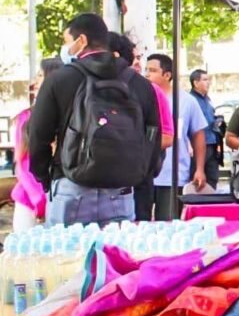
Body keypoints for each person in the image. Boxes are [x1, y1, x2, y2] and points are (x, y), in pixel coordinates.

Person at [28, 14, 162, 226]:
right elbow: (153, 136)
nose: (66, 48)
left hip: (70, 186)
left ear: (81, 40)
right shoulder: (140, 84)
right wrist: (141, 175)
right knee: (115, 248)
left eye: (67, 41)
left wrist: (45, 177)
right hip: (121, 191)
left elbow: (38, 136)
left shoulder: (59, 80)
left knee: (66, 249)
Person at [108, 32, 174, 221]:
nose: (137, 63)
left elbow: (166, 136)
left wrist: (131, 149)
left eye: (139, 58)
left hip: (137, 180)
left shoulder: (150, 90)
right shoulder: (87, 84)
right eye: (136, 57)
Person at [145, 53, 208, 220]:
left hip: (173, 176)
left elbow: (198, 135)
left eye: (152, 70)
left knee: (168, 222)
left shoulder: (186, 101)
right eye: (146, 70)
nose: (147, 74)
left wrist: (200, 169)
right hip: (143, 174)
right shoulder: (141, 98)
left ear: (167, 75)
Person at [11, 58, 63, 231]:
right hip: (29, 200)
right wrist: (38, 199)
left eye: (40, 75)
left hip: (60, 199)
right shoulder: (26, 117)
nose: (35, 81)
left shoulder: (68, 115)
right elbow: (23, 164)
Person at [189, 69, 222, 186]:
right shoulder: (190, 100)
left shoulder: (208, 99)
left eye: (208, 80)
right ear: (195, 83)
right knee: (196, 179)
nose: (208, 83)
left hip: (212, 143)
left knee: (212, 178)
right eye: (205, 80)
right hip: (198, 145)